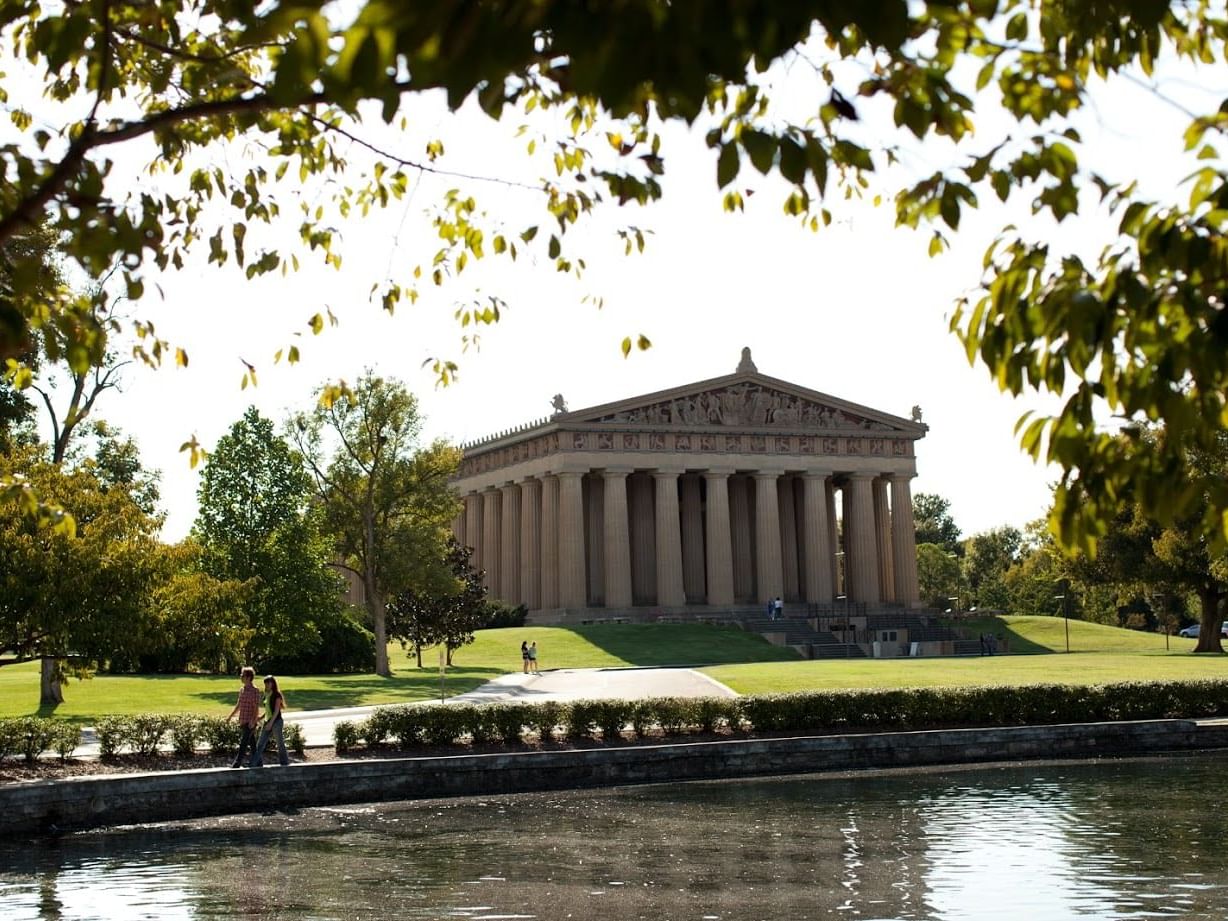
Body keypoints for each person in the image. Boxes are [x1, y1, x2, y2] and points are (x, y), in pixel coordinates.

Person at [251, 675, 290, 767]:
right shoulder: (266, 694)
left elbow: (276, 711)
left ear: (273, 683)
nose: (267, 685)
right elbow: (268, 709)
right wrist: (260, 718)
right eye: (266, 683)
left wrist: (271, 723)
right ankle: (254, 764)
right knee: (260, 744)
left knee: (280, 743)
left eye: (269, 683)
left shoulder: (277, 695)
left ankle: (285, 764)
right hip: (267, 721)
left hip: (276, 722)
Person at [226, 666, 261, 768]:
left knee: (243, 743)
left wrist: (253, 721)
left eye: (243, 675)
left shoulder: (255, 690)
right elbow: (238, 705)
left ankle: (237, 763)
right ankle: (258, 763)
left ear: (249, 677)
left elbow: (256, 707)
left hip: (250, 722)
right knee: (252, 744)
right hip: (243, 720)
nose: (241, 677)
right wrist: (230, 716)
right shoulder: (242, 690)